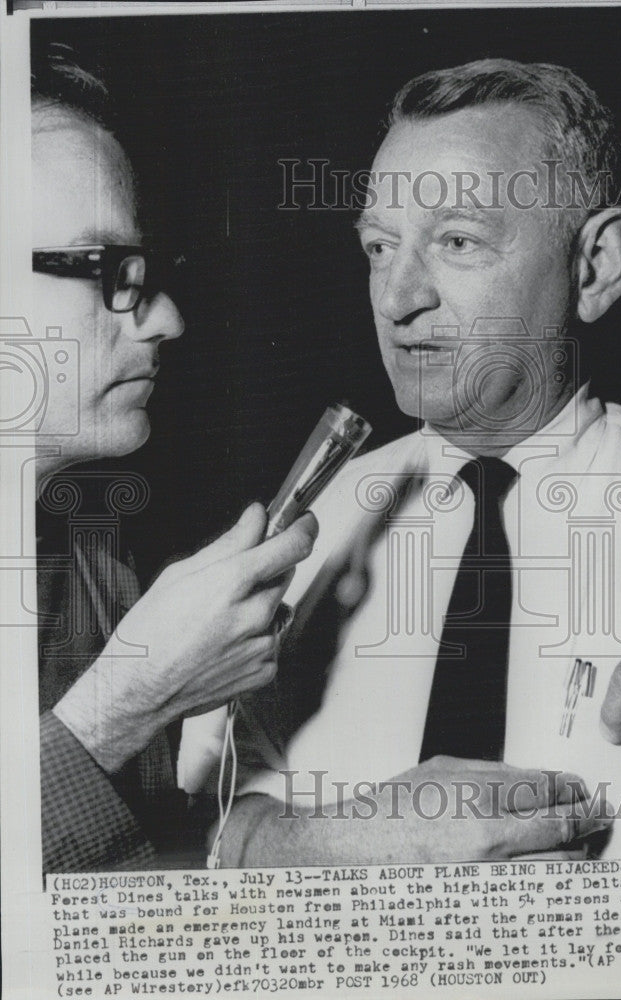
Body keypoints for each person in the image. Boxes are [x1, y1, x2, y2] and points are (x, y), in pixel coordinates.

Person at [204, 59, 621, 867]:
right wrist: (308, 845)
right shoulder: (306, 529)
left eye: (456, 241)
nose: (396, 298)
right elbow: (206, 822)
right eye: (379, 247)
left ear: (595, 266)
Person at [30, 45, 318, 872]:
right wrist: (129, 699)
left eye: (146, 271)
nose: (164, 322)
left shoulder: (90, 564)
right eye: (108, 271)